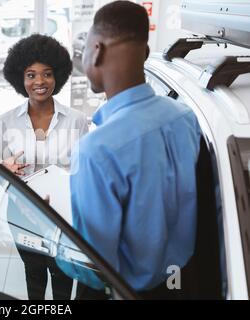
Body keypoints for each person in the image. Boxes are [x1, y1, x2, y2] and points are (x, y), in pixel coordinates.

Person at [69, 1, 203, 298]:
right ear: (144, 54)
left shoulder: (95, 151)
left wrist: (52, 230)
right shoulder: (184, 118)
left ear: (97, 51)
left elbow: (93, 268)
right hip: (181, 284)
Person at [0, 34, 89, 300]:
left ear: (57, 75)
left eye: (47, 74)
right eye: (31, 75)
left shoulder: (77, 121)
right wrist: (3, 168)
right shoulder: (5, 122)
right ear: (20, 79)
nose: (39, 82)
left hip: (63, 215)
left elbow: (84, 173)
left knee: (64, 277)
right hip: (22, 213)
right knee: (33, 277)